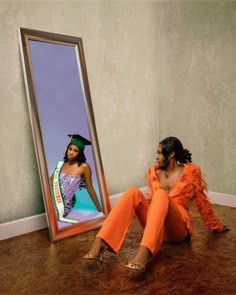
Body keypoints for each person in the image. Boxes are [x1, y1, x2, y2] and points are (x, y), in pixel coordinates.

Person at [84, 136, 229, 271]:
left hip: (177, 230)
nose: (156, 156)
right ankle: (102, 241)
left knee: (160, 194)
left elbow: (202, 202)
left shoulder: (190, 173)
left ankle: (145, 252)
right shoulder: (155, 172)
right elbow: (150, 204)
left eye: (160, 153)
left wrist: (215, 226)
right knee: (133, 192)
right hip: (156, 224)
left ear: (171, 154)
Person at [51, 134, 102, 223]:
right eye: (70, 149)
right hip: (51, 197)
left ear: (80, 153)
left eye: (75, 151)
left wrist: (99, 208)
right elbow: (50, 180)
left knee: (50, 215)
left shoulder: (84, 167)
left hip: (62, 206)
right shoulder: (62, 164)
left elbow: (90, 189)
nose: (71, 152)